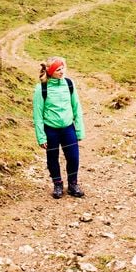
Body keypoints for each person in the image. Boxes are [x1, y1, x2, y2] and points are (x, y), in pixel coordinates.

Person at [33, 56, 85, 199]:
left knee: (74, 157)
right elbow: (37, 114)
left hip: (68, 128)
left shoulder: (69, 84)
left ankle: (73, 184)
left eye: (62, 68)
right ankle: (57, 184)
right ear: (50, 72)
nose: (62, 72)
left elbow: (76, 107)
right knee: (52, 158)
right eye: (58, 69)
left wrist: (79, 129)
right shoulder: (41, 88)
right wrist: (41, 136)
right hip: (51, 130)